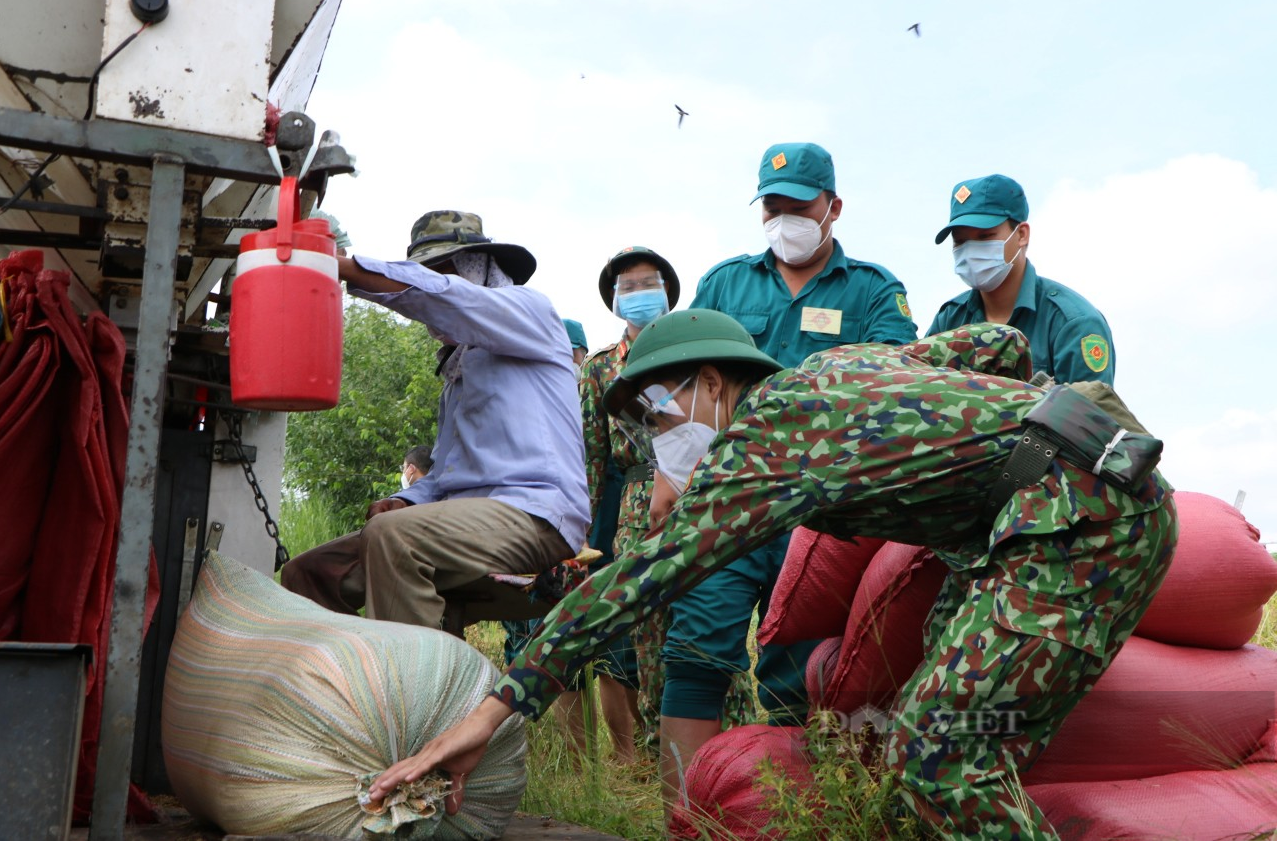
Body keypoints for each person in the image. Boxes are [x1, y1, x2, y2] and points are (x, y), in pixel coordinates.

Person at [368, 310, 1177, 840]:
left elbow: (638, 581)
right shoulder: (839, 367)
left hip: (1078, 525)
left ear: (714, 384)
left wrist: (496, 709)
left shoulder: (764, 446)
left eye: (657, 416)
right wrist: (990, 440)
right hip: (1063, 501)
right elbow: (997, 346)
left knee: (939, 754)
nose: (657, 442)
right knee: (934, 730)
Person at [664, 142, 919, 797]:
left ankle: (788, 809)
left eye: (799, 206)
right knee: (694, 653)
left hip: (819, 512)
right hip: (728, 500)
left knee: (798, 668)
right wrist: (672, 473)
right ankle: (681, 813)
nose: (785, 218)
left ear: (833, 207)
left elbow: (894, 388)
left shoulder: (872, 290)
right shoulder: (726, 282)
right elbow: (692, 384)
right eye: (772, 206)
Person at [279, 211, 590, 631]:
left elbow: (453, 298)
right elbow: (445, 474)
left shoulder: (530, 313)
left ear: (476, 268)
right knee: (308, 571)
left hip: (537, 516)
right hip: (466, 517)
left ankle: (416, 691)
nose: (433, 287)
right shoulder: (457, 372)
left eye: (445, 270)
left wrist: (346, 267)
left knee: (394, 536)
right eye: (424, 273)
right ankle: (348, 683)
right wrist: (406, 500)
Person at [576, 246, 683, 759]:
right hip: (637, 505)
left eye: (650, 283)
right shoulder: (599, 369)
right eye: (629, 286)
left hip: (701, 494)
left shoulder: (694, 347)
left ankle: (729, 741)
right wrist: (578, 532)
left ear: (668, 290)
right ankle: (656, 753)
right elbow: (593, 462)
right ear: (614, 300)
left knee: (708, 617)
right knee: (645, 632)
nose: (641, 293)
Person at [928, 174, 1116, 384]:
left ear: (1021, 234)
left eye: (985, 237)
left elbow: (1087, 414)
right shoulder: (950, 320)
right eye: (960, 242)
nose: (971, 251)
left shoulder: (1073, 323)